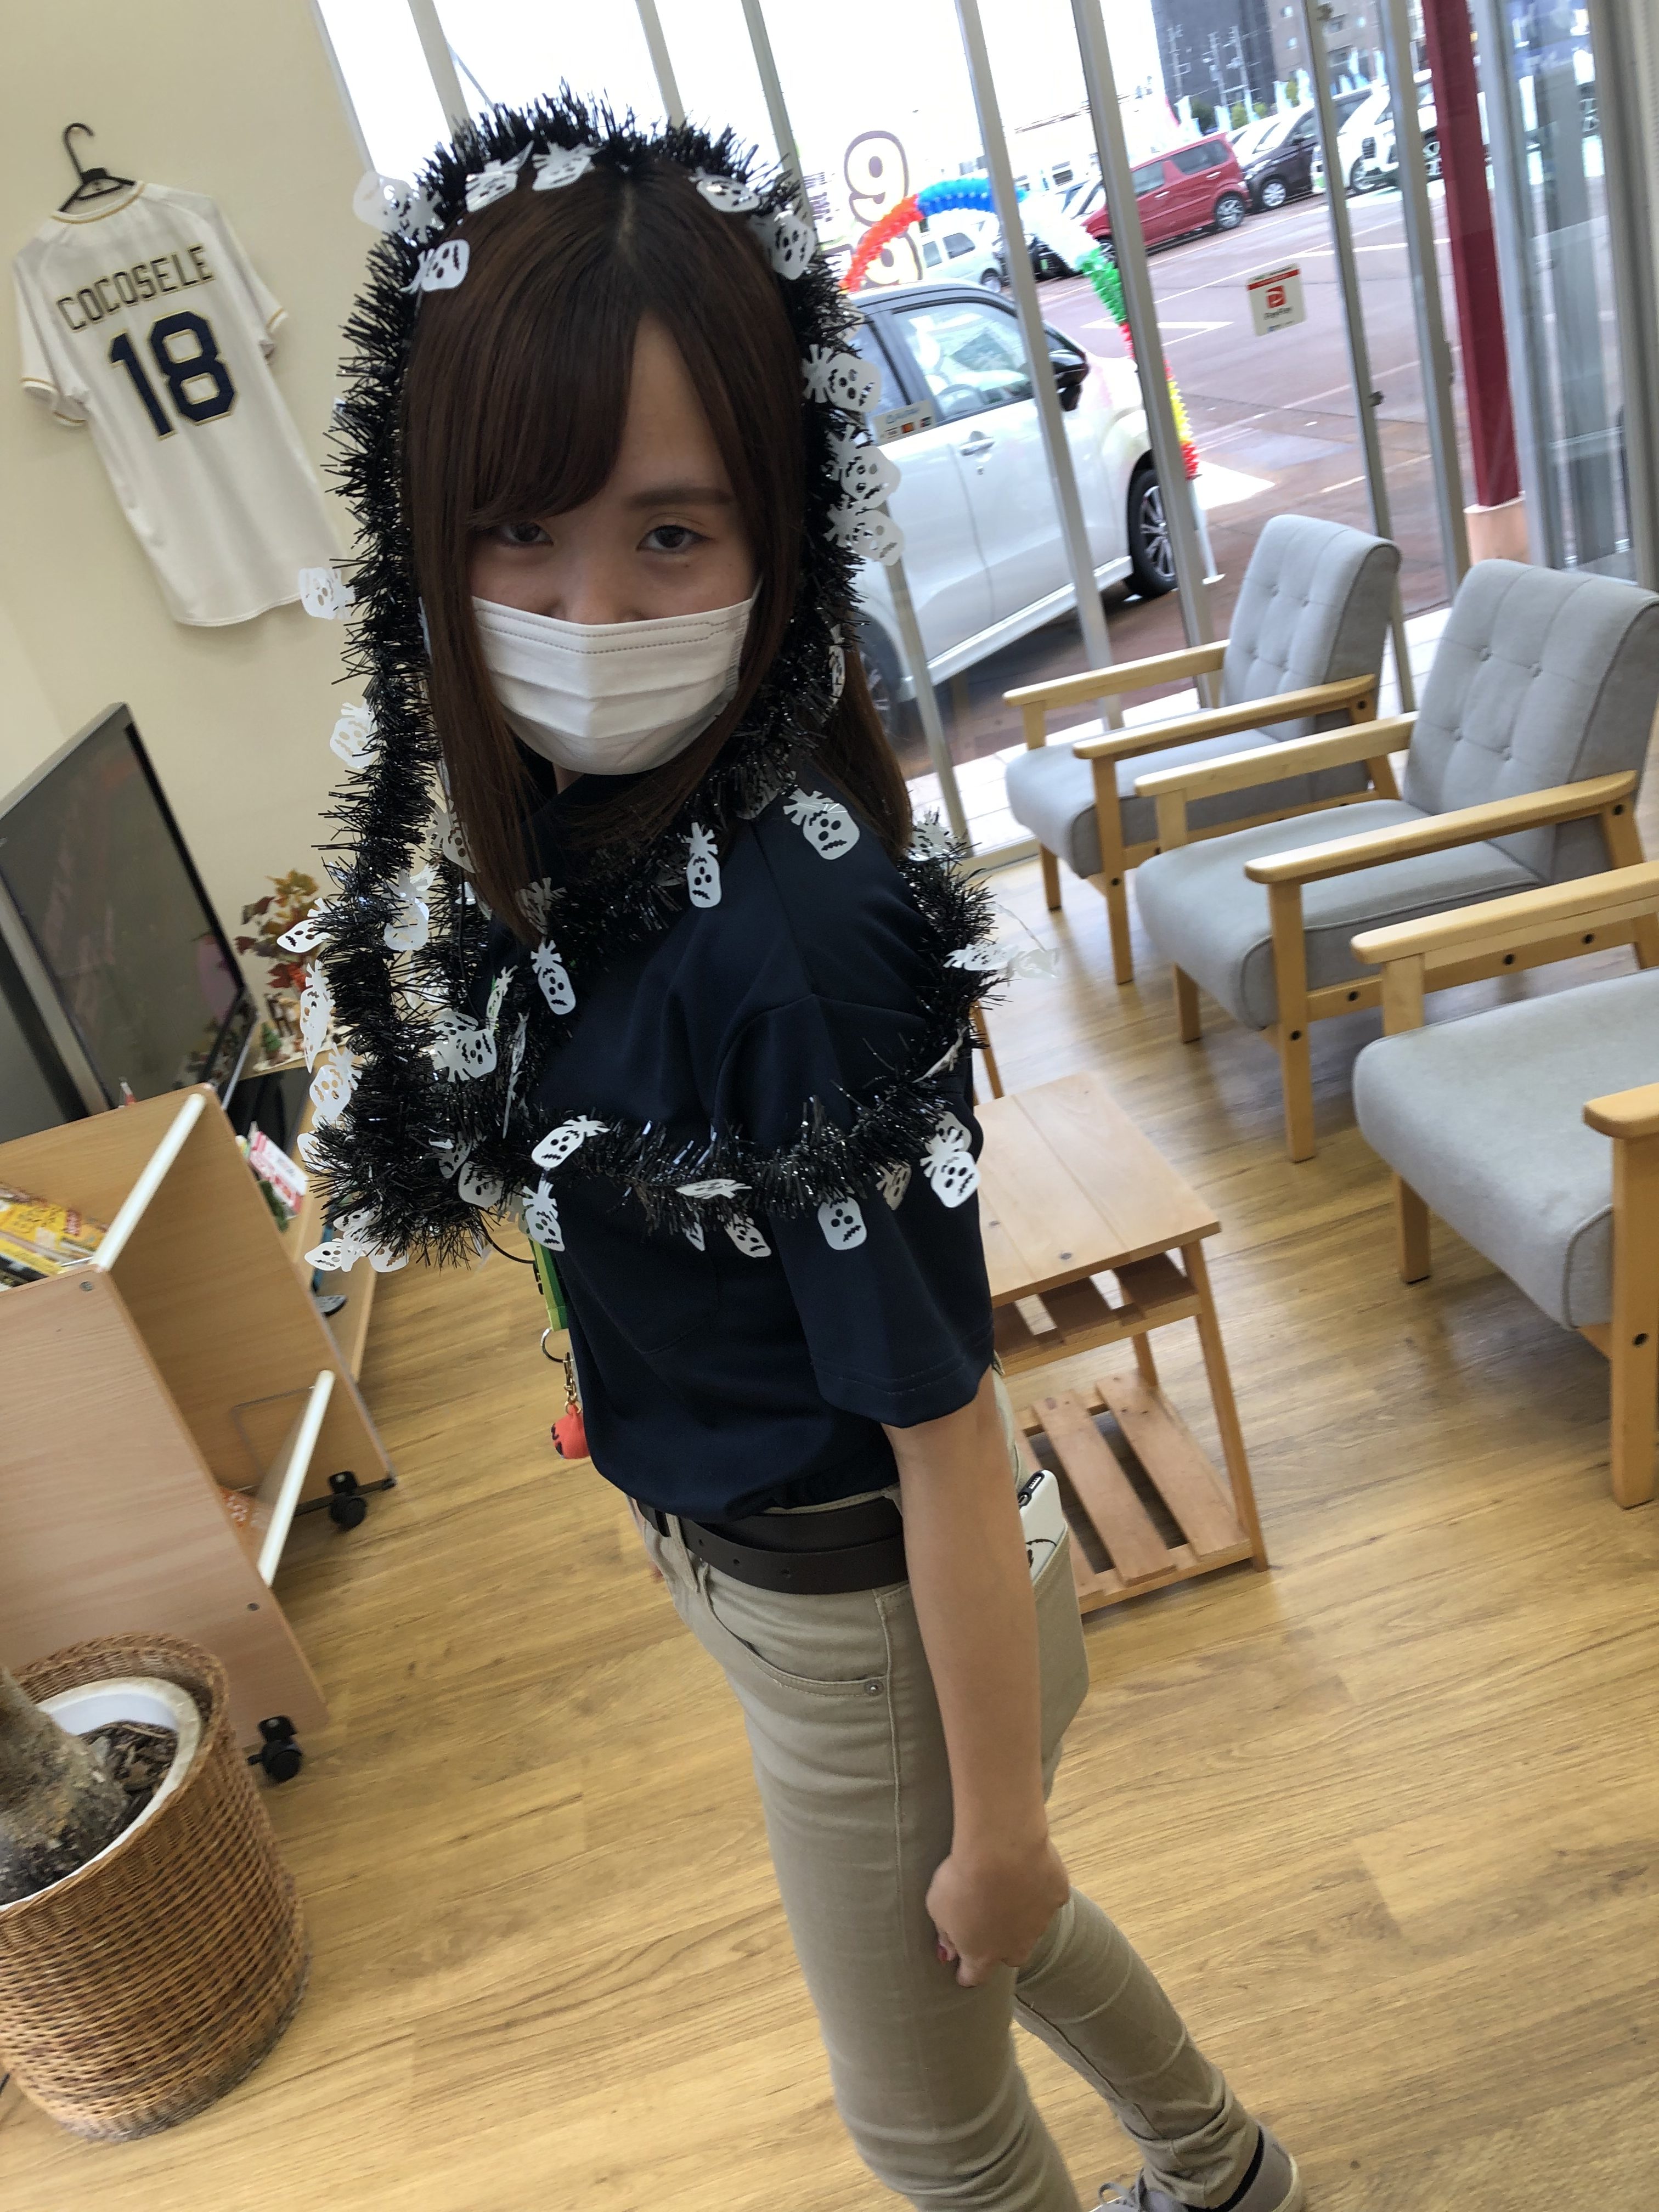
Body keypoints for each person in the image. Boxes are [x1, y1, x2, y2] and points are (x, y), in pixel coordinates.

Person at [307, 98, 1304, 2212]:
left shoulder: (794, 941)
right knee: (992, 1955)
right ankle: (1228, 2174)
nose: (587, 606)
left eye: (670, 535)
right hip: (776, 1578)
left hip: (884, 1621)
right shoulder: (582, 832)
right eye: (519, 529)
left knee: (932, 2124)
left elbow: (943, 1426)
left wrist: (997, 1821)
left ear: (781, 529)